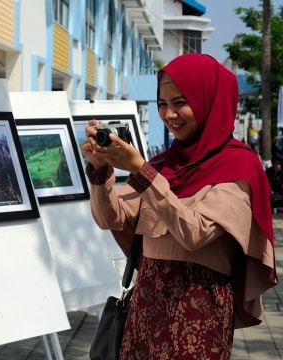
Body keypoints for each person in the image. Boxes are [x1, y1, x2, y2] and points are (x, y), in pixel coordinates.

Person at [80, 53, 278, 359]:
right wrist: (100, 170)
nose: (170, 114)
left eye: (180, 102)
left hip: (197, 314)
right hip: (145, 308)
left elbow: (193, 233)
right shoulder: (163, 166)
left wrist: (141, 171)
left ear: (208, 100)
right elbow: (111, 218)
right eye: (162, 104)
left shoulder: (239, 165)